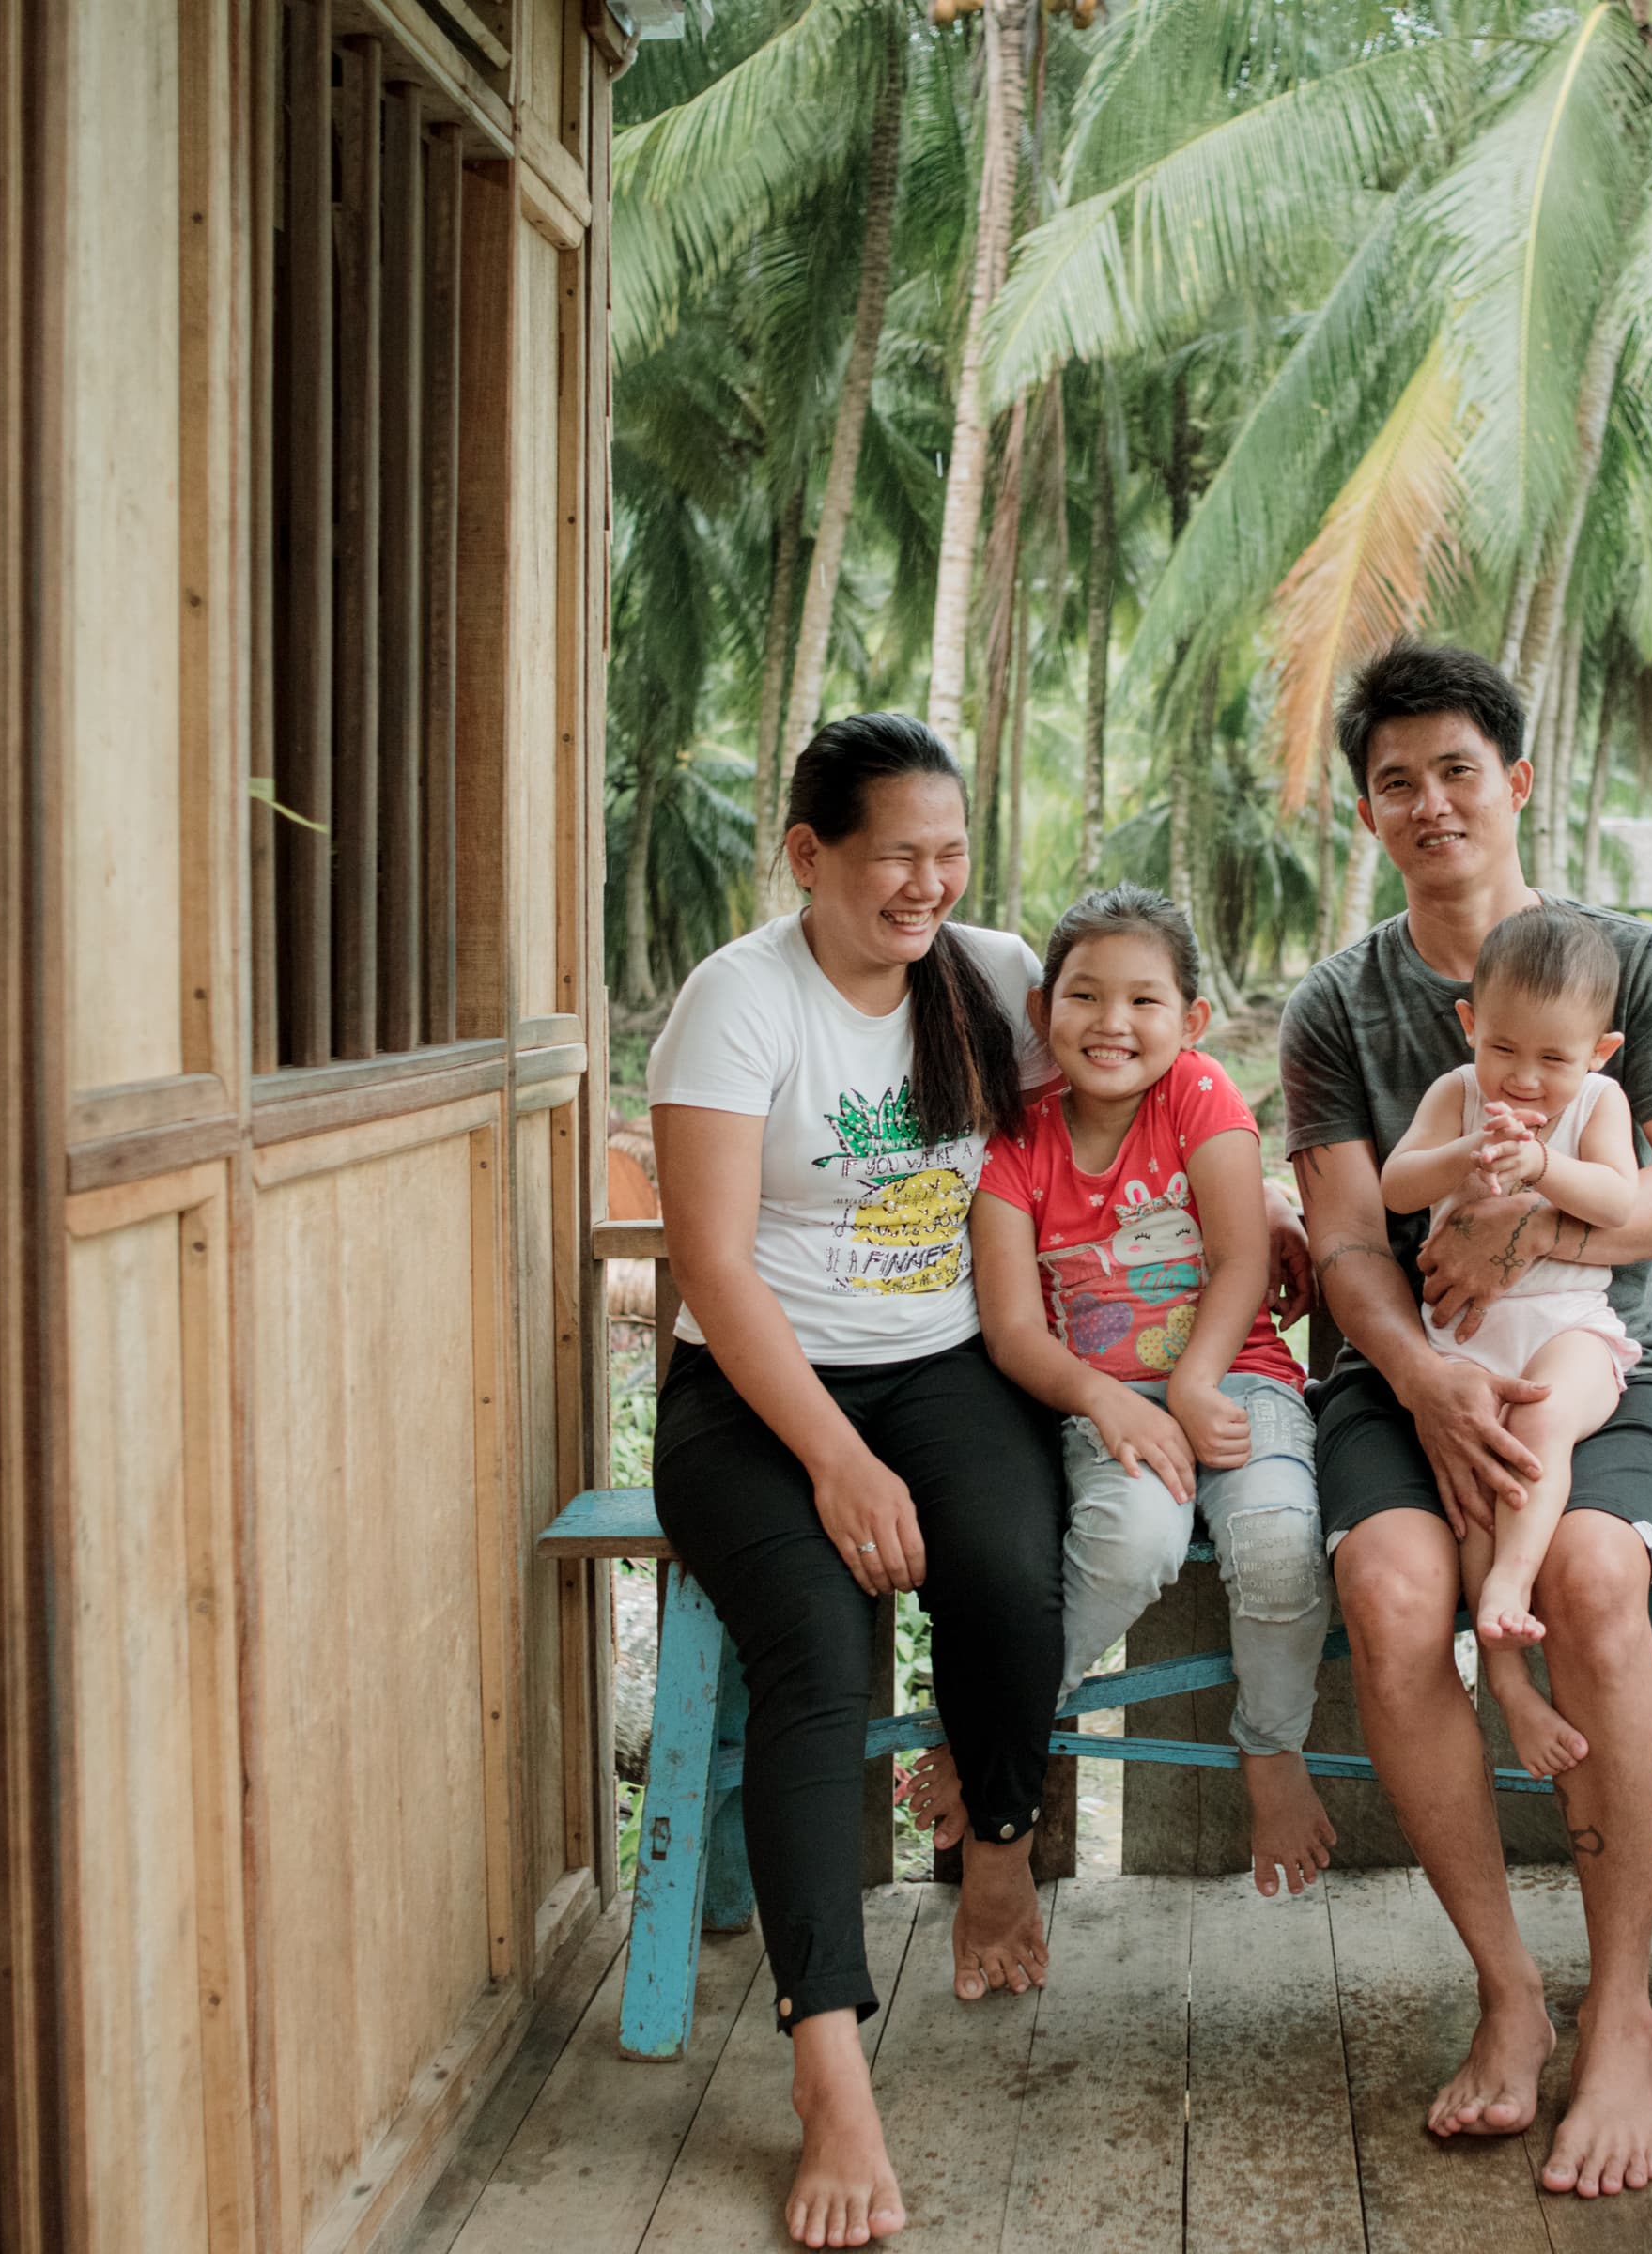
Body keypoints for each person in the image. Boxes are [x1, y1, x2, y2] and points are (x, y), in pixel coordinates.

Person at [1280, 641, 1652, 2200]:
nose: (1430, 804)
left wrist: (1530, 1235)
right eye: (1395, 782)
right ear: (1367, 811)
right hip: (1405, 1375)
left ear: (1515, 781)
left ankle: (1623, 2014)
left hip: (1601, 1364)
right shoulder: (1339, 1005)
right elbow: (1349, 1232)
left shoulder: (1634, 969)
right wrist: (1423, 1372)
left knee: (1602, 1580)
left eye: (1457, 771)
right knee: (1395, 1589)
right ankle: (1508, 1996)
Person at [645, 713, 1064, 2249]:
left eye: (948, 854)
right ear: (809, 854)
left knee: (1016, 1568)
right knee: (816, 1657)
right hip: (753, 1396)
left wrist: (1251, 1217)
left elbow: (1145, 1080)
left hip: (948, 1364)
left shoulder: (999, 978)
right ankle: (830, 2064)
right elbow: (708, 1263)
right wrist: (833, 1457)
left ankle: (998, 1851)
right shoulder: (735, 1005)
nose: (926, 883)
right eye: (895, 854)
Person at [970, 887, 1338, 1901]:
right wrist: (1112, 1401)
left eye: (1143, 1001)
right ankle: (1005, 1733)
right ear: (1044, 1011)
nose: (1113, 1023)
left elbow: (1235, 1261)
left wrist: (1192, 1379)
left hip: (1235, 1380)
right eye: (1085, 997)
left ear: (1190, 1021)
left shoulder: (1202, 1097)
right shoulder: (1016, 1142)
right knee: (1132, 1542)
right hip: (1105, 1404)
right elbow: (1011, 1328)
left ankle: (1271, 1746)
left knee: (1274, 1544)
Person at [1376, 906, 1644, 1781]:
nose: (1524, 1080)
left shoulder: (1600, 1103)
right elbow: (1395, 1183)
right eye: (1504, 1051)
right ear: (1470, 1027)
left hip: (1570, 1327)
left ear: (1597, 1053)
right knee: (1479, 1471)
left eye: (1554, 1059)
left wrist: (1540, 1172)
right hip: (1468, 1343)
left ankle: (1509, 1582)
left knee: (1541, 1428)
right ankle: (1509, 1677)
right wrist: (1463, 1157)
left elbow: (1617, 1203)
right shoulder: (1456, 1095)